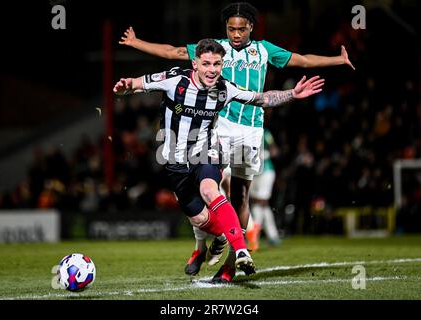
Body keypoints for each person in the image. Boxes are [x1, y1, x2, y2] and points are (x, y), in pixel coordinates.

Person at [119, 2, 347, 282]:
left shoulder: (264, 50)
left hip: (251, 130)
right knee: (207, 187)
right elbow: (173, 52)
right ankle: (201, 246)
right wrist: (136, 42)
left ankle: (230, 261)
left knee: (238, 195)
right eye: (231, 29)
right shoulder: (213, 48)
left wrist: (336, 60)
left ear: (251, 26)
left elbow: (302, 59)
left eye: (241, 29)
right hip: (219, 126)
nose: (236, 34)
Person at [247, 128, 281, 251]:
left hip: (266, 171)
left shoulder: (265, 133)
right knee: (262, 203)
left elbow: (275, 150)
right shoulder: (246, 132)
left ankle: (254, 234)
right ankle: (273, 235)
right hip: (252, 172)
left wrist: (264, 154)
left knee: (260, 201)